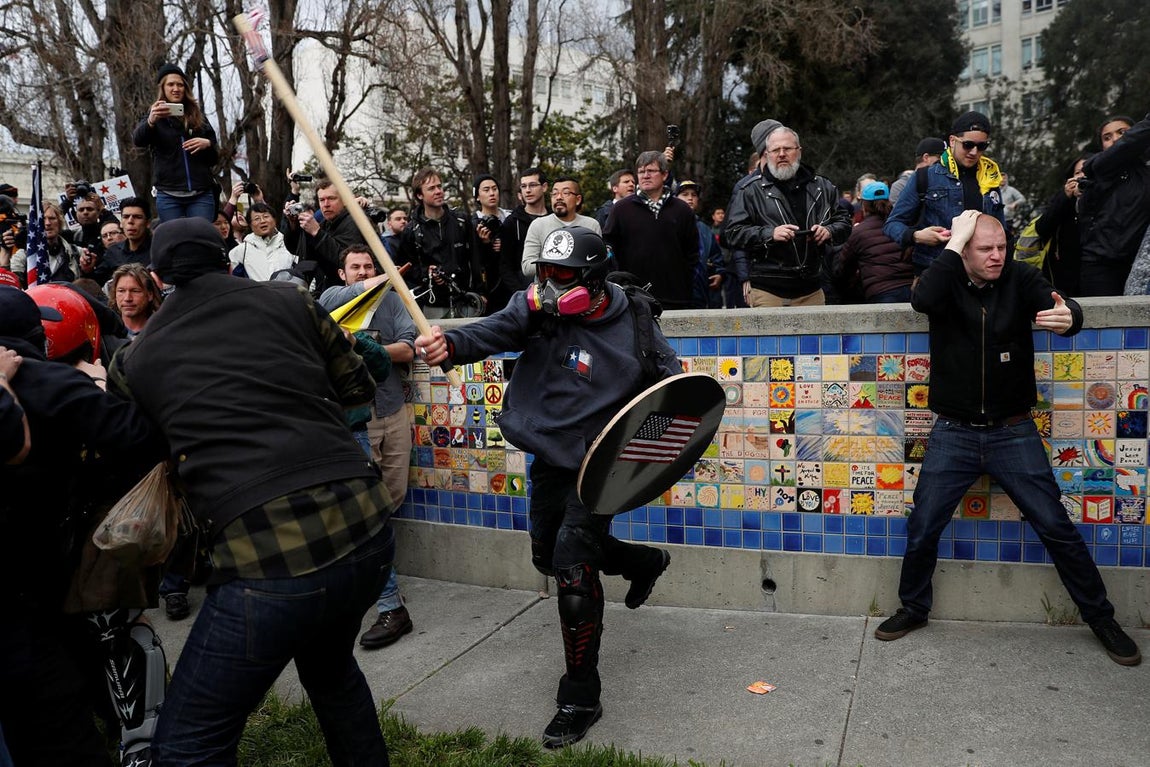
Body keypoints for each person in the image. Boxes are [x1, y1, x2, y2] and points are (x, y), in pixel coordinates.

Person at [109, 217, 394, 764]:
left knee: (188, 744)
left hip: (266, 558)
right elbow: (359, 385)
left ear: (156, 276)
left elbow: (135, 450)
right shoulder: (293, 303)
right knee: (333, 673)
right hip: (366, 526)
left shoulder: (134, 361)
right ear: (227, 258)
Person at [414, 225, 679, 749]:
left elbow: (673, 398)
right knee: (547, 554)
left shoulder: (638, 323)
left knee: (574, 567)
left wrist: (634, 462)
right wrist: (449, 344)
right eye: (546, 276)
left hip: (600, 464)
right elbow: (492, 330)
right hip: (552, 453)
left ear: (595, 279)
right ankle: (641, 562)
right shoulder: (536, 307)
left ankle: (580, 696)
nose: (552, 288)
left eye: (565, 278)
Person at [874, 210, 1141, 667]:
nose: (997, 256)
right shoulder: (945, 279)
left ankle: (1102, 619)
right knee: (923, 528)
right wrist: (955, 244)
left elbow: (1064, 306)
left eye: (1001, 246)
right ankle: (913, 608)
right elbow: (923, 302)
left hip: (1012, 431)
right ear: (964, 248)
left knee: (1056, 526)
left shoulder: (1019, 277)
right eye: (985, 249)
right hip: (953, 431)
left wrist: (1070, 315)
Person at [0, 286, 163, 767]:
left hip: (38, 575)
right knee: (58, 721)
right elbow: (143, 440)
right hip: (32, 579)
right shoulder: (56, 385)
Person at [318, 245, 418, 649]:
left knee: (391, 497)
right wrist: (375, 283)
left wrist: (360, 345)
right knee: (367, 512)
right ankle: (386, 596)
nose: (363, 272)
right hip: (356, 419)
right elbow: (327, 306)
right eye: (354, 267)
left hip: (391, 409)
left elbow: (408, 348)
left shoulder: (393, 301)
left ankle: (376, 571)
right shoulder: (329, 299)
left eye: (369, 266)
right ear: (342, 274)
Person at [723, 126, 851, 306]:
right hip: (767, 290)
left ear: (799, 151)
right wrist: (769, 234)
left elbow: (844, 222)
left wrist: (829, 231)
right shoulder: (749, 191)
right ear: (766, 155)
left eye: (787, 149)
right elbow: (732, 233)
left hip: (812, 289)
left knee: (813, 336)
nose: (781, 154)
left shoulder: (823, 186)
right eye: (775, 150)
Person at [884, 111, 1006, 276]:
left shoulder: (990, 178)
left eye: (982, 146)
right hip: (935, 271)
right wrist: (917, 235)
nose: (974, 152)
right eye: (968, 145)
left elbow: (1001, 230)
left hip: (980, 275)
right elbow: (892, 224)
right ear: (952, 141)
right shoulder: (925, 176)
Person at [603, 150, 698, 309]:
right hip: (633, 297)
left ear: (664, 175)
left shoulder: (682, 210)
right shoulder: (620, 209)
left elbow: (692, 253)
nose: (645, 175)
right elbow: (609, 246)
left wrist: (685, 280)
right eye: (641, 171)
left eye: (651, 171)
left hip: (676, 297)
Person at [132, 63, 219, 223]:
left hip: (201, 193)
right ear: (163, 88)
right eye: (171, 84)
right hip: (168, 195)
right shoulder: (154, 115)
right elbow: (138, 140)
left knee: (201, 240)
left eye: (180, 85)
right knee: (175, 241)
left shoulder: (198, 117)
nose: (176, 88)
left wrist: (207, 144)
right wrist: (151, 121)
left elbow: (215, 158)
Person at [1075, 111, 1150, 296]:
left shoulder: (1145, 173)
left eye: (1122, 132)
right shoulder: (1099, 167)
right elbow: (1127, 145)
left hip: (1139, 265)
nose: (1115, 140)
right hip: (1101, 267)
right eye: (1107, 137)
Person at [399, 167, 479, 318]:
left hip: (465, 301)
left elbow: (475, 259)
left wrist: (481, 293)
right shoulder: (411, 231)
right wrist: (427, 273)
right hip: (432, 304)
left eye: (439, 186)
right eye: (431, 188)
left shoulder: (461, 221)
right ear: (419, 195)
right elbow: (406, 268)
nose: (438, 191)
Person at [834, 181, 913, 303]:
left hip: (880, 293)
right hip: (913, 289)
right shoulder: (905, 226)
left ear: (863, 205)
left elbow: (844, 269)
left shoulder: (858, 232)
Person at [521, 176, 601, 278]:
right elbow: (527, 267)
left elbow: (598, 264)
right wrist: (561, 267)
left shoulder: (591, 225)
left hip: (583, 289)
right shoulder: (538, 225)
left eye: (566, 193)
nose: (558, 197)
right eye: (554, 193)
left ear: (578, 199)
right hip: (547, 289)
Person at [1032, 155, 1090, 295]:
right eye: (1077, 173)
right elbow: (1042, 228)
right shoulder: (1064, 200)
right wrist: (1065, 196)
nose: (1082, 176)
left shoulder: (1107, 198)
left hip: (1094, 272)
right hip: (1064, 275)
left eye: (1087, 171)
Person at [675, 180, 726, 308]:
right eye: (685, 194)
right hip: (674, 294)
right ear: (675, 199)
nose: (690, 198)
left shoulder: (705, 229)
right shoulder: (667, 225)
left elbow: (716, 256)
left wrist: (719, 273)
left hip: (702, 294)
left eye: (694, 195)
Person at [499, 168, 549, 295]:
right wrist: (521, 294)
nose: (527, 190)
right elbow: (505, 266)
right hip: (524, 292)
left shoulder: (555, 218)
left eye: (532, 185)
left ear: (544, 187)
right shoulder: (511, 222)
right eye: (523, 186)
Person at [10, 202, 82, 286]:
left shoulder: (76, 252)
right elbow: (13, 284)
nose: (47, 223)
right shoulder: (23, 255)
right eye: (42, 219)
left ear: (59, 222)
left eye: (52, 218)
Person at [471, 174, 512, 313]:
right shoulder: (473, 223)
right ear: (477, 196)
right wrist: (486, 244)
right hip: (489, 288)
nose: (492, 193)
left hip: (511, 285)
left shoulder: (510, 218)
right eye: (486, 190)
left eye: (494, 189)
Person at [229, 202, 295, 281]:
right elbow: (234, 279)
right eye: (257, 219)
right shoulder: (241, 251)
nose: (262, 221)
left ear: (275, 220)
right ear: (250, 225)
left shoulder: (289, 244)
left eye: (266, 216)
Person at [98, 197, 154, 286]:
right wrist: (87, 269)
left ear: (147, 223)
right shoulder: (113, 252)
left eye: (137, 217)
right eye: (126, 217)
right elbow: (98, 281)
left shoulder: (158, 249)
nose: (130, 221)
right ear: (121, 223)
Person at [889, 137, 946, 205]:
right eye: (940, 158)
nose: (944, 162)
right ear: (926, 157)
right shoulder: (900, 186)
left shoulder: (943, 181)